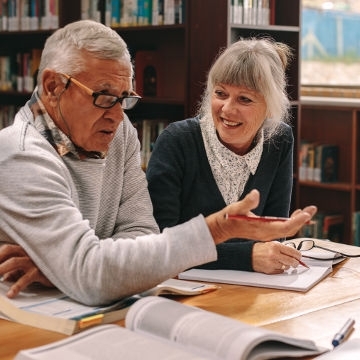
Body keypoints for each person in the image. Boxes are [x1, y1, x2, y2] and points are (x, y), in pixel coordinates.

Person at [0, 20, 316, 306]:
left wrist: (69, 264)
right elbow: (94, 276)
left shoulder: (118, 131)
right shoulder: (21, 154)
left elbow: (142, 234)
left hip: (92, 305)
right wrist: (77, 267)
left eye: (124, 97)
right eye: (104, 96)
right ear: (54, 87)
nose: (118, 114)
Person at [146, 37, 299, 274]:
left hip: (256, 288)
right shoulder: (177, 141)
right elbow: (161, 243)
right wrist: (246, 257)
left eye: (244, 99)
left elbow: (273, 232)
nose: (227, 109)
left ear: (270, 105)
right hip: (186, 288)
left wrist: (272, 254)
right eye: (220, 93)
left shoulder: (280, 140)